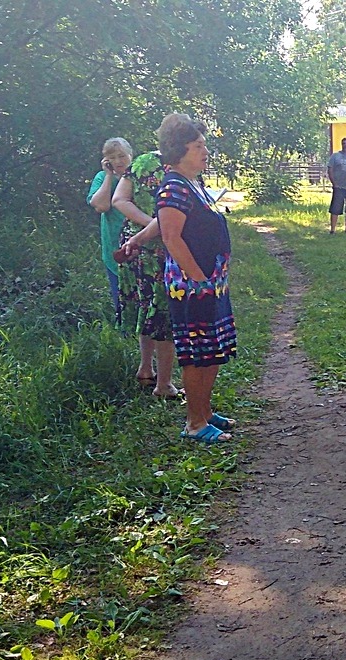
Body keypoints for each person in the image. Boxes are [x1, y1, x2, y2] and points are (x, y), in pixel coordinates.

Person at [122, 114, 238, 442]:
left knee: (212, 350)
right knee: (198, 352)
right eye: (198, 146)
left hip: (209, 282)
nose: (205, 152)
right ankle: (195, 423)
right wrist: (199, 277)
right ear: (179, 151)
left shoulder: (193, 184)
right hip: (192, 286)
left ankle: (204, 411)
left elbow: (163, 227)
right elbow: (172, 237)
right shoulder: (172, 187)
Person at [112, 150, 179, 399]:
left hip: (134, 243)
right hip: (157, 246)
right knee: (163, 309)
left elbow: (120, 199)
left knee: (146, 303)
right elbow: (118, 200)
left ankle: (145, 369)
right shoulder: (178, 164)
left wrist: (146, 224)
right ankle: (164, 384)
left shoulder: (143, 161)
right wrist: (153, 224)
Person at [87, 138, 133, 325]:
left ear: (131, 155)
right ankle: (125, 335)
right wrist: (108, 176)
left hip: (142, 243)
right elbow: (101, 206)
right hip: (114, 245)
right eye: (112, 158)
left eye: (122, 156)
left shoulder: (140, 176)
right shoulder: (102, 178)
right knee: (120, 297)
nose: (119, 161)